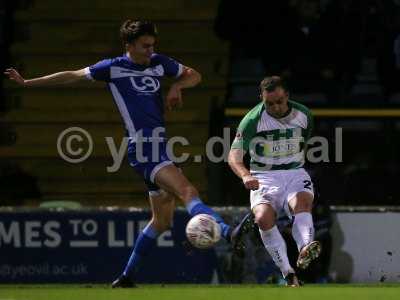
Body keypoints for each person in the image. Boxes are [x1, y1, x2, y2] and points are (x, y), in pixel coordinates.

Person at [4, 20, 250, 287]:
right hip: (143, 148)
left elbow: (194, 74)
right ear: (129, 45)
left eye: (153, 45)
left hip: (159, 145)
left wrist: (177, 86)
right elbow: (72, 74)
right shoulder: (112, 68)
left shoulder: (159, 62)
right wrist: (28, 82)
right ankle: (227, 232)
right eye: (145, 46)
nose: (150, 50)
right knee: (188, 191)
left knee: (162, 221)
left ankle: (126, 277)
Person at [227, 76, 321, 287]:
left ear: (287, 96)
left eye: (279, 101)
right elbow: (233, 157)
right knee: (262, 219)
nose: (275, 107)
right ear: (262, 97)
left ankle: (305, 247)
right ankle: (288, 273)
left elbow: (303, 142)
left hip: (294, 172)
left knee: (302, 204)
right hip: (263, 176)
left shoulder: (303, 114)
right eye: (269, 103)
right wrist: (245, 175)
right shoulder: (252, 120)